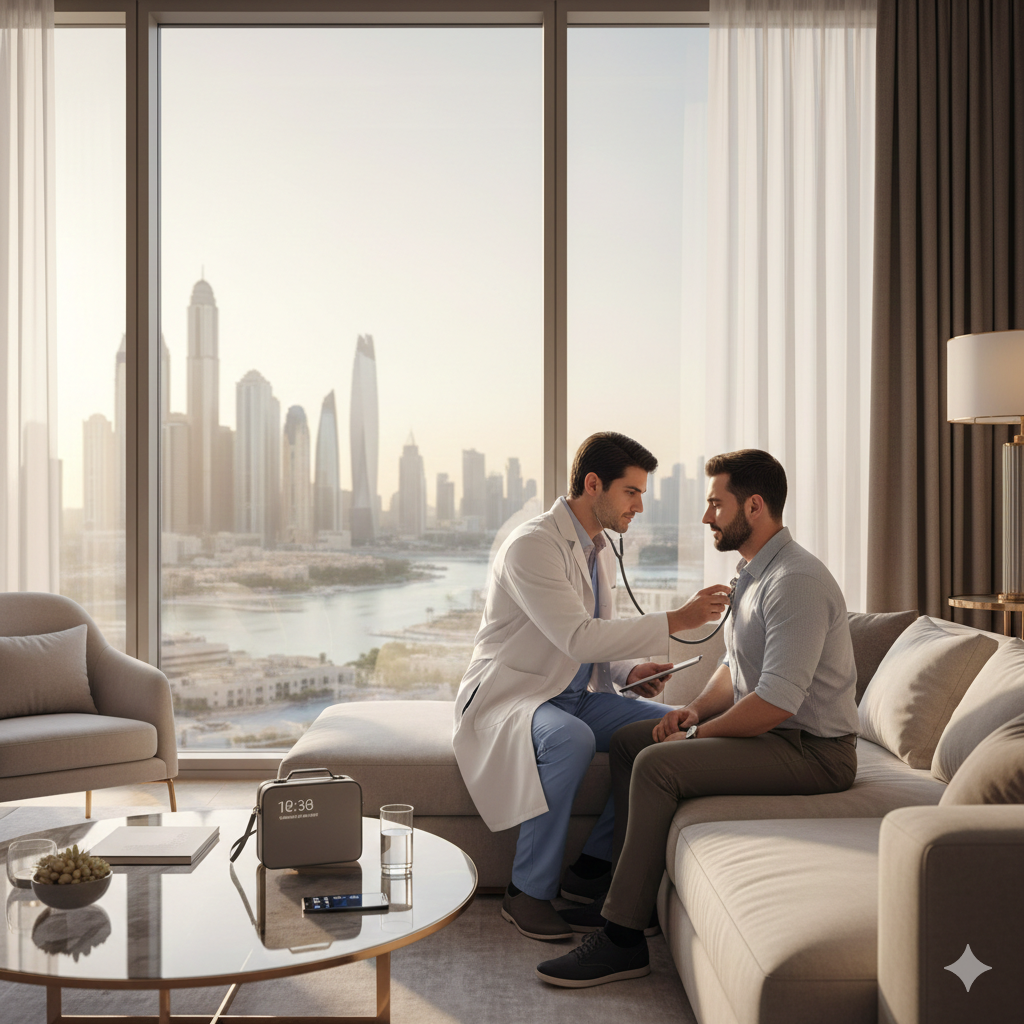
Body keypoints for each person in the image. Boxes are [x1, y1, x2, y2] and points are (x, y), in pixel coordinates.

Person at [536, 448, 860, 986]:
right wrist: (692, 710)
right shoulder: (753, 574)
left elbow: (776, 702)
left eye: (716, 503)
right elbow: (735, 669)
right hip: (776, 736)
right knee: (633, 742)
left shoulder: (795, 581)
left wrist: (696, 735)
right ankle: (621, 890)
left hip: (813, 752)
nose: (707, 516)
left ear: (754, 507)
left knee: (658, 764)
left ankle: (622, 940)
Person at [452, 432, 731, 942]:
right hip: (516, 695)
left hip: (575, 695)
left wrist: (630, 673)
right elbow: (577, 637)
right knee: (570, 739)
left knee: (673, 730)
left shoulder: (597, 547)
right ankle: (525, 893)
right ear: (594, 484)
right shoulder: (532, 545)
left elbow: (597, 634)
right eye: (632, 492)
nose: (639, 506)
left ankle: (592, 871)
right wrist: (678, 619)